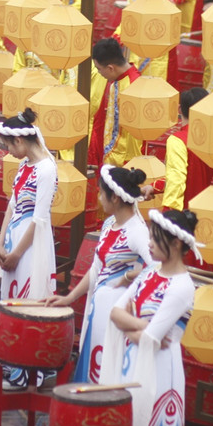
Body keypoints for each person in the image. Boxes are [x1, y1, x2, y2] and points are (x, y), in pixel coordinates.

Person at [101, 207, 199, 426]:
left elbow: (148, 335)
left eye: (156, 239)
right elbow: (115, 312)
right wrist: (143, 327)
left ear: (176, 243)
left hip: (161, 371)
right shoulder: (150, 272)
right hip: (133, 363)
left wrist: (133, 329)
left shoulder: (182, 286)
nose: (149, 244)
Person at [49, 164, 150, 383]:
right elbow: (95, 269)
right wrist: (69, 298)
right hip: (97, 308)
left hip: (118, 311)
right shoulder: (109, 224)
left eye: (102, 192)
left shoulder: (137, 232)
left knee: (108, 369)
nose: (98, 196)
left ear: (114, 198)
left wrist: (129, 278)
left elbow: (156, 270)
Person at [0, 108, 59, 385]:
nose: (8, 150)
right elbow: (12, 204)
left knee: (27, 302)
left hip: (32, 246)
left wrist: (17, 254)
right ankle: (14, 363)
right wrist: (0, 243)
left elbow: (40, 219)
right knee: (12, 301)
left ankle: (29, 369)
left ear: (20, 141)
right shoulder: (25, 165)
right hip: (14, 239)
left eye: (9, 145)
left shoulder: (46, 169)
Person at [88, 37, 144, 170]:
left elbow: (134, 140)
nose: (99, 73)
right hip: (111, 158)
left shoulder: (133, 87)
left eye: (99, 69)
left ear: (110, 68)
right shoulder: (117, 81)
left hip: (123, 164)